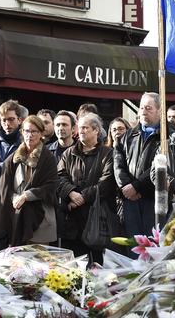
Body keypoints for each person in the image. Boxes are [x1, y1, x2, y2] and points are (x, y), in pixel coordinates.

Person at [57, 113, 116, 264]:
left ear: (96, 130)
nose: (81, 131)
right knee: (74, 267)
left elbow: (107, 182)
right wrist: (70, 192)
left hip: (97, 218)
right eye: (79, 128)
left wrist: (81, 197)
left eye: (85, 128)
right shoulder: (68, 153)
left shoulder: (108, 153)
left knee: (98, 266)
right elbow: (59, 177)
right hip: (72, 221)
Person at [0, 115, 58, 248]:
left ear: (41, 134)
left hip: (41, 216)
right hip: (17, 215)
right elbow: (3, 188)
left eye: (34, 131)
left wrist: (28, 195)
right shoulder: (13, 158)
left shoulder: (48, 157)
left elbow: (52, 185)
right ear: (22, 132)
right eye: (27, 131)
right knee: (18, 262)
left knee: (39, 263)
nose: (30, 135)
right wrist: (15, 197)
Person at [114, 92, 171, 237]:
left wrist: (137, 186)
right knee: (133, 245)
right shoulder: (128, 136)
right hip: (130, 200)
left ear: (160, 110)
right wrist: (125, 186)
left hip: (154, 199)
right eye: (141, 108)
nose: (143, 112)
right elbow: (118, 163)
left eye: (148, 108)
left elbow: (160, 165)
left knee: (153, 245)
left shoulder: (168, 135)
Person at [0, 99, 26, 175]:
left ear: (19, 120)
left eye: (11, 119)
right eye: (4, 120)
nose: (7, 124)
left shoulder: (27, 142)